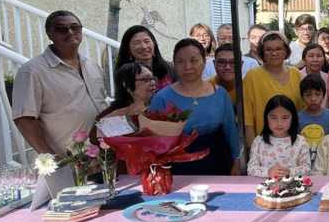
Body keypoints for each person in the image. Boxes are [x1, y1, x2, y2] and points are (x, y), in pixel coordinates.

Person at [13, 10, 109, 156]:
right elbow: (24, 120)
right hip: (66, 163)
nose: (70, 32)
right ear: (49, 34)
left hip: (101, 158)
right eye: (61, 29)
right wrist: (52, 159)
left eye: (75, 27)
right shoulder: (32, 71)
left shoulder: (92, 65)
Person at [149, 39, 240, 175]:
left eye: (194, 60)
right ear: (175, 64)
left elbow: (232, 133)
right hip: (176, 171)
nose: (187, 66)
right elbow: (151, 140)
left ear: (204, 62)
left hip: (216, 166)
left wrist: (236, 163)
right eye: (180, 61)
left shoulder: (220, 94)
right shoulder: (162, 97)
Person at [243, 32, 305, 151]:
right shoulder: (252, 76)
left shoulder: (296, 73)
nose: (274, 53)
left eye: (278, 49)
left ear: (285, 51)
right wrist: (251, 150)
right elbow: (247, 118)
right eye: (269, 49)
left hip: (293, 145)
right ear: (262, 52)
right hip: (264, 147)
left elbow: (302, 109)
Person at [247, 95, 312, 178]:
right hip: (265, 188)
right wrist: (268, 172)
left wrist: (290, 172)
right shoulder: (259, 141)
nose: (279, 123)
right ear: (266, 118)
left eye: (285, 118)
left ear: (293, 119)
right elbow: (251, 169)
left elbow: (306, 169)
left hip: (292, 188)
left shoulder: (300, 141)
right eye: (274, 118)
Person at [298, 75, 329, 166]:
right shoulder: (297, 117)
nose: (313, 99)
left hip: (326, 163)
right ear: (302, 97)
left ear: (324, 95)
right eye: (308, 95)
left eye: (317, 94)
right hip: (303, 164)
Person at [115, 25, 176, 92]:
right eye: (136, 43)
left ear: (154, 44)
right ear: (128, 49)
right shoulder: (124, 74)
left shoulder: (170, 68)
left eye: (147, 41)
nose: (144, 46)